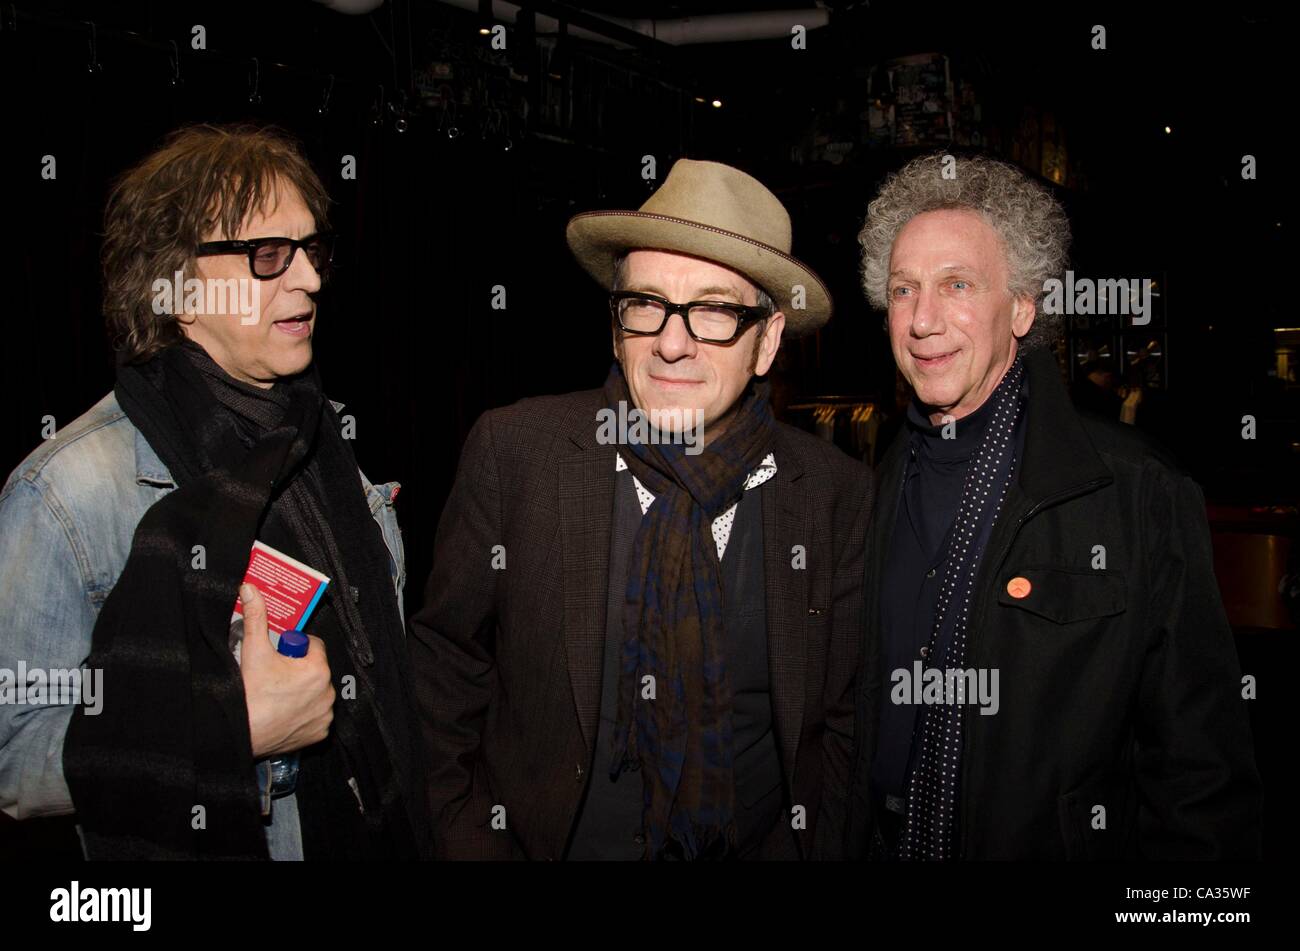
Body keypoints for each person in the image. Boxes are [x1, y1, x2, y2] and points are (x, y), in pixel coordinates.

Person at [410, 159, 872, 860]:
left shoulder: (834, 494)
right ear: (617, 323)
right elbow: (444, 672)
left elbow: (842, 726)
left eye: (714, 309)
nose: (672, 341)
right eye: (646, 303)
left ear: (768, 340)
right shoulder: (517, 452)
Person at [0, 124, 428, 860]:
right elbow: (13, 756)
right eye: (268, 256)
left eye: (312, 251)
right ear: (176, 289)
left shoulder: (321, 449)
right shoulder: (68, 491)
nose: (310, 281)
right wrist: (231, 728)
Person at [847, 152, 1261, 860]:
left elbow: (1202, 775)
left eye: (957, 285)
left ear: (1023, 306)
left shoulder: (1133, 488)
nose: (923, 320)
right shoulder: (868, 490)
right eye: (904, 290)